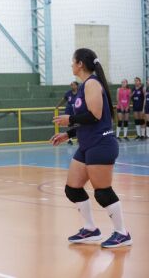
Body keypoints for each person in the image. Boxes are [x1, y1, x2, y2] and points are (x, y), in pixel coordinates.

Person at [51, 48, 132, 248]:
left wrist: (69, 119)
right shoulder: (82, 87)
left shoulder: (92, 83)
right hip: (87, 144)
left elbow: (95, 115)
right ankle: (90, 229)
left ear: (80, 64)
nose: (71, 65)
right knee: (73, 188)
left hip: (101, 144)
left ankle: (122, 233)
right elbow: (88, 121)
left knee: (103, 192)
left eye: (72, 61)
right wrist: (68, 134)